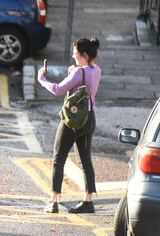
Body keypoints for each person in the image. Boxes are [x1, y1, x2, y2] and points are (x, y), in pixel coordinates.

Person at [38, 37, 101, 214]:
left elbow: (58, 89)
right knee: (85, 160)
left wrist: (41, 78)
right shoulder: (96, 70)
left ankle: (53, 201)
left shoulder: (77, 73)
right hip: (89, 118)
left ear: (85, 54)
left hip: (73, 120)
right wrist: (74, 72)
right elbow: (83, 85)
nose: (73, 56)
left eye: (75, 53)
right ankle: (88, 201)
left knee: (58, 158)